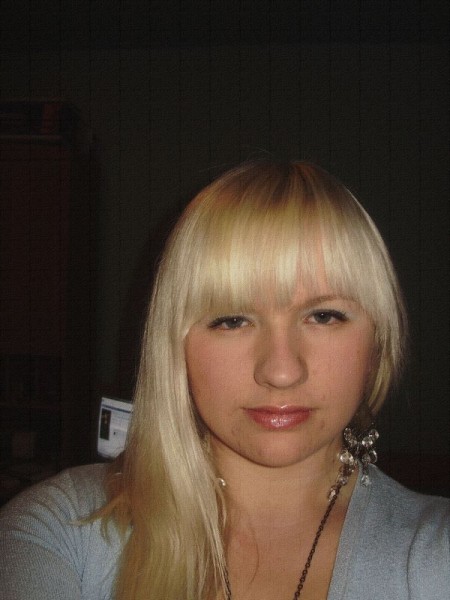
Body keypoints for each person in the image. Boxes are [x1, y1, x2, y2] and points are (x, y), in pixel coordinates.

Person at [1, 160, 449, 600]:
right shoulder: (61, 528)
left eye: (324, 316)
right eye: (232, 320)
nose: (281, 372)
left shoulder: (433, 559)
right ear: (175, 346)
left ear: (377, 342)